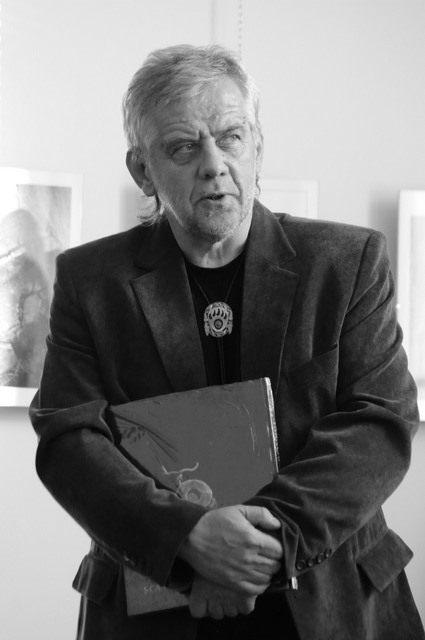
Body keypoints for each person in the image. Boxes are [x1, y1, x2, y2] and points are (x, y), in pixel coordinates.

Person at [29, 44, 425, 640]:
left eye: (231, 137)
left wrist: (259, 544)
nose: (214, 165)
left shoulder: (348, 262)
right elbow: (69, 438)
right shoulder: (90, 281)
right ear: (142, 170)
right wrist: (188, 539)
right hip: (153, 602)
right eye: (183, 147)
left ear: (257, 145)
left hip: (331, 600)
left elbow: (381, 423)